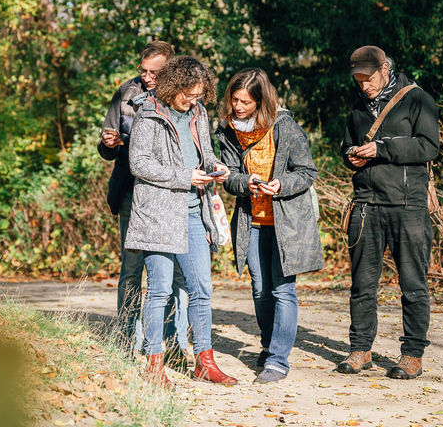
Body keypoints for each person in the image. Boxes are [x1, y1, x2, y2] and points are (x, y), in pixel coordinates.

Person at [125, 55, 236, 388]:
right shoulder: (148, 114)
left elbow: (204, 154)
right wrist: (184, 176)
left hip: (193, 212)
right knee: (159, 292)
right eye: (188, 94)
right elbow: (138, 164)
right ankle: (153, 365)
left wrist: (216, 167)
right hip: (158, 215)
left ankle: (205, 362)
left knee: (202, 289)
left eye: (199, 94)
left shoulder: (198, 113)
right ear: (172, 85)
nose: (193, 100)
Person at [215, 68, 323, 384]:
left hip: (286, 224)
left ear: (261, 101)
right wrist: (244, 182)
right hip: (252, 222)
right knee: (260, 289)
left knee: (282, 289)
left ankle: (278, 361)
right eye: (234, 100)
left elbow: (306, 172)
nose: (238, 107)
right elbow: (229, 176)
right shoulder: (229, 130)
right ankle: (267, 346)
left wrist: (280, 184)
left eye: (245, 102)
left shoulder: (286, 128)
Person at [338, 46, 439, 379]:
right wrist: (350, 154)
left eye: (368, 78)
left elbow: (428, 146)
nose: (363, 85)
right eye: (358, 79)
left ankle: (412, 355)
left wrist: (383, 148)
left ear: (385, 69)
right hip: (366, 204)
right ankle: (360, 350)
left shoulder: (417, 98)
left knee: (412, 284)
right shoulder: (357, 106)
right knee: (362, 285)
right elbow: (347, 144)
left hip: (407, 205)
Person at [97, 41, 192, 368]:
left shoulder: (183, 97)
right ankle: (124, 341)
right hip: (131, 192)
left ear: (170, 69)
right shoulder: (125, 94)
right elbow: (107, 141)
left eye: (155, 71)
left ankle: (173, 345)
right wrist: (108, 144)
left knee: (174, 272)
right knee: (132, 268)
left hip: (171, 194)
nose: (147, 77)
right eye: (144, 70)